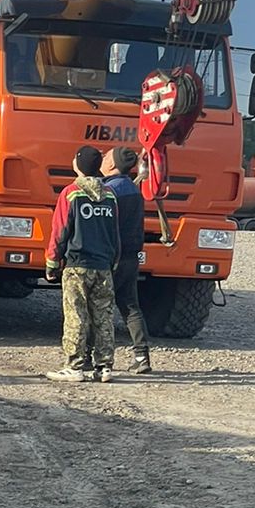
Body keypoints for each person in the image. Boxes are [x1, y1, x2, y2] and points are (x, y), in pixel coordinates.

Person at [44, 145, 120, 382]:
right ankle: (104, 367)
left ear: (77, 165)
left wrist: (52, 263)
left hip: (77, 265)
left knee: (76, 315)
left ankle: (75, 367)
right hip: (103, 265)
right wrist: (113, 261)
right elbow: (115, 233)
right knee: (104, 315)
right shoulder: (110, 195)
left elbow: (60, 231)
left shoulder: (71, 193)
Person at [102, 145, 153, 374]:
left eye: (105, 157)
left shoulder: (108, 191)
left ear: (112, 165)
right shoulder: (134, 191)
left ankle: (101, 360)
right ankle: (142, 357)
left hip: (111, 256)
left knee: (100, 307)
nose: (102, 159)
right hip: (132, 256)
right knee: (131, 306)